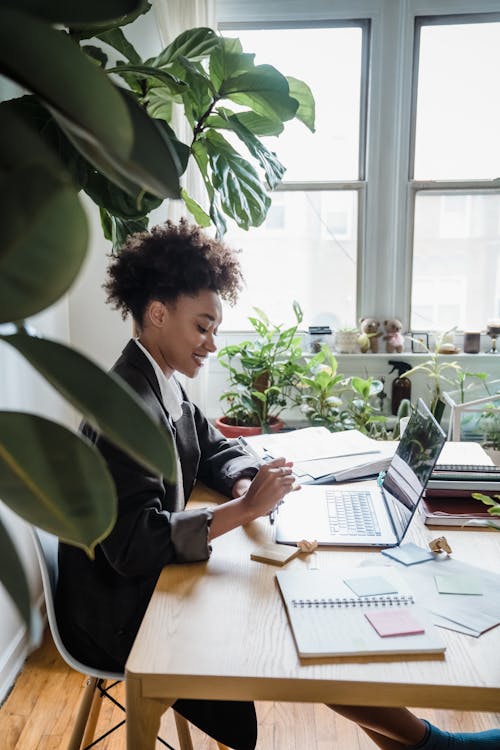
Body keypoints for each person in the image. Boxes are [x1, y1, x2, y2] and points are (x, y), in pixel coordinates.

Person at [56, 220, 500, 750]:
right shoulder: (124, 408)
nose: (212, 344)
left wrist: (249, 478)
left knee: (307, 612)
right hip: (120, 612)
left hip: (146, 585)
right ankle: (429, 744)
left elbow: (215, 444)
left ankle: (421, 744)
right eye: (202, 327)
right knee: (301, 624)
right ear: (157, 314)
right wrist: (246, 509)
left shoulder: (156, 380)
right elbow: (133, 547)